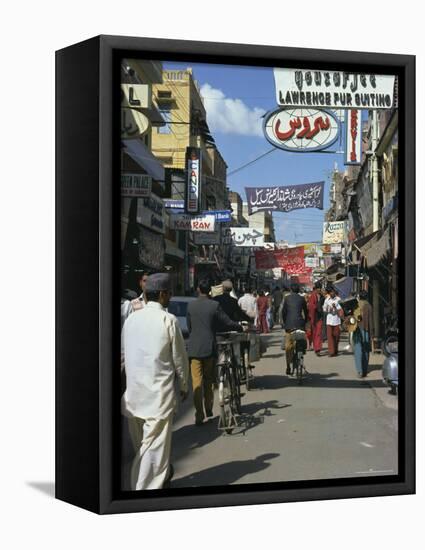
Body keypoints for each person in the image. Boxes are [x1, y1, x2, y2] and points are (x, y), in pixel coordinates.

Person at [121, 273, 189, 490]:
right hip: (158, 399)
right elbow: (179, 358)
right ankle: (142, 492)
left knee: (144, 447)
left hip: (133, 397)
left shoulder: (131, 319)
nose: (170, 297)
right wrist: (185, 385)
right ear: (161, 294)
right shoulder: (168, 320)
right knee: (153, 453)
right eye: (169, 293)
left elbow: (123, 356)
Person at [187, 279, 243, 426]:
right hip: (209, 348)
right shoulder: (214, 305)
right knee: (209, 380)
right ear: (210, 290)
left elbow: (190, 327)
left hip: (194, 349)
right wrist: (239, 327)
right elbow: (226, 321)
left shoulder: (191, 305)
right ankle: (208, 408)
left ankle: (199, 415)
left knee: (196, 383)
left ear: (198, 289)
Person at [282, 283, 308, 374]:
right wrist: (305, 322)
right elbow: (306, 312)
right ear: (298, 290)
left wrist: (285, 323)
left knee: (288, 347)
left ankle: (288, 366)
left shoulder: (287, 298)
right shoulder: (302, 299)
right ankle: (302, 351)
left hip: (289, 325)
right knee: (301, 340)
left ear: (291, 290)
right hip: (300, 324)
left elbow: (284, 312)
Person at [352, 290, 374, 377]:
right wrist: (372, 333)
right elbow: (371, 321)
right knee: (366, 350)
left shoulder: (355, 305)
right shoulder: (369, 306)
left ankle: (359, 371)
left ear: (359, 297)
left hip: (357, 329)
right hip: (366, 330)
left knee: (358, 350)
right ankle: (364, 370)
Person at [323, 286, 343, 357]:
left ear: (335, 292)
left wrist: (335, 307)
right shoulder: (327, 300)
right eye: (330, 292)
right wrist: (329, 308)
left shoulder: (338, 299)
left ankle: (335, 350)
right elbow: (324, 309)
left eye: (333, 292)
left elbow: (341, 309)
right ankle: (331, 352)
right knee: (330, 337)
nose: (332, 293)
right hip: (329, 320)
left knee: (336, 336)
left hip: (337, 320)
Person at [308, 282, 325, 356]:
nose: (319, 290)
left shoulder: (321, 296)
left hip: (320, 316)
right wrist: (317, 307)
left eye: (320, 288)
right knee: (315, 333)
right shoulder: (313, 296)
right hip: (314, 316)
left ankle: (317, 348)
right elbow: (311, 306)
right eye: (318, 288)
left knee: (318, 333)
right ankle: (316, 347)